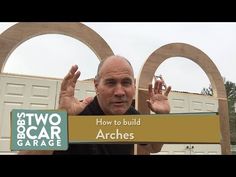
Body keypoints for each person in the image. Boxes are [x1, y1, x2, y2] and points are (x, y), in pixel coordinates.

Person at [18, 55, 171, 155]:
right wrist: (60, 117)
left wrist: (163, 118)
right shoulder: (76, 114)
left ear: (134, 86)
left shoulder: (133, 116)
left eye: (126, 82)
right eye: (111, 83)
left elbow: (153, 147)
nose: (119, 91)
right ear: (96, 85)